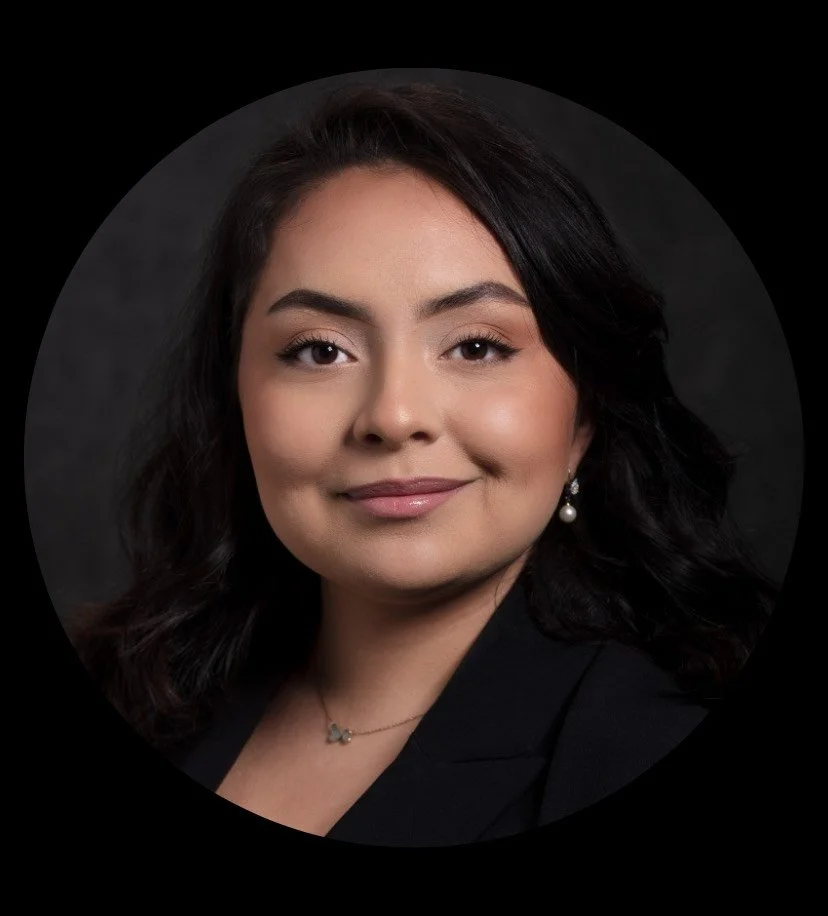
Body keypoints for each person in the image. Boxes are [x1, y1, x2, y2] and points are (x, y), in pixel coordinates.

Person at [71, 82, 777, 846]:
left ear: (585, 417)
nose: (393, 416)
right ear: (234, 400)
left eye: (476, 346)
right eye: (320, 350)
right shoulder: (144, 697)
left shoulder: (639, 748)